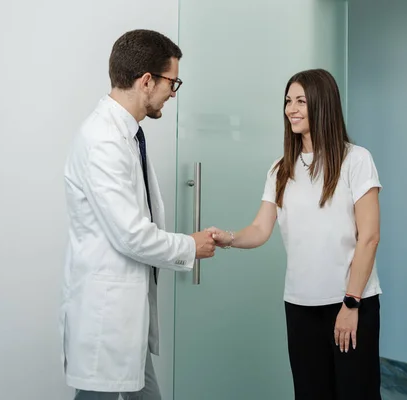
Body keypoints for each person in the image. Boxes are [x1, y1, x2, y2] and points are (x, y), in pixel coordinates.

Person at [60, 29, 216, 400]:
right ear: (147, 81)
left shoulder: (125, 135)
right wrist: (190, 246)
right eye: (172, 82)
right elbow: (131, 235)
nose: (173, 93)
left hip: (125, 316)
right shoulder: (103, 140)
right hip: (108, 317)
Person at [208, 69, 382, 399]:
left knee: (356, 393)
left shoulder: (356, 161)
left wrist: (351, 303)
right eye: (288, 101)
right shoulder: (281, 169)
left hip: (350, 302)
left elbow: (369, 236)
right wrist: (228, 238)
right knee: (309, 393)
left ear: (322, 104)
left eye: (301, 100)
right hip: (300, 305)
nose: (291, 108)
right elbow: (261, 229)